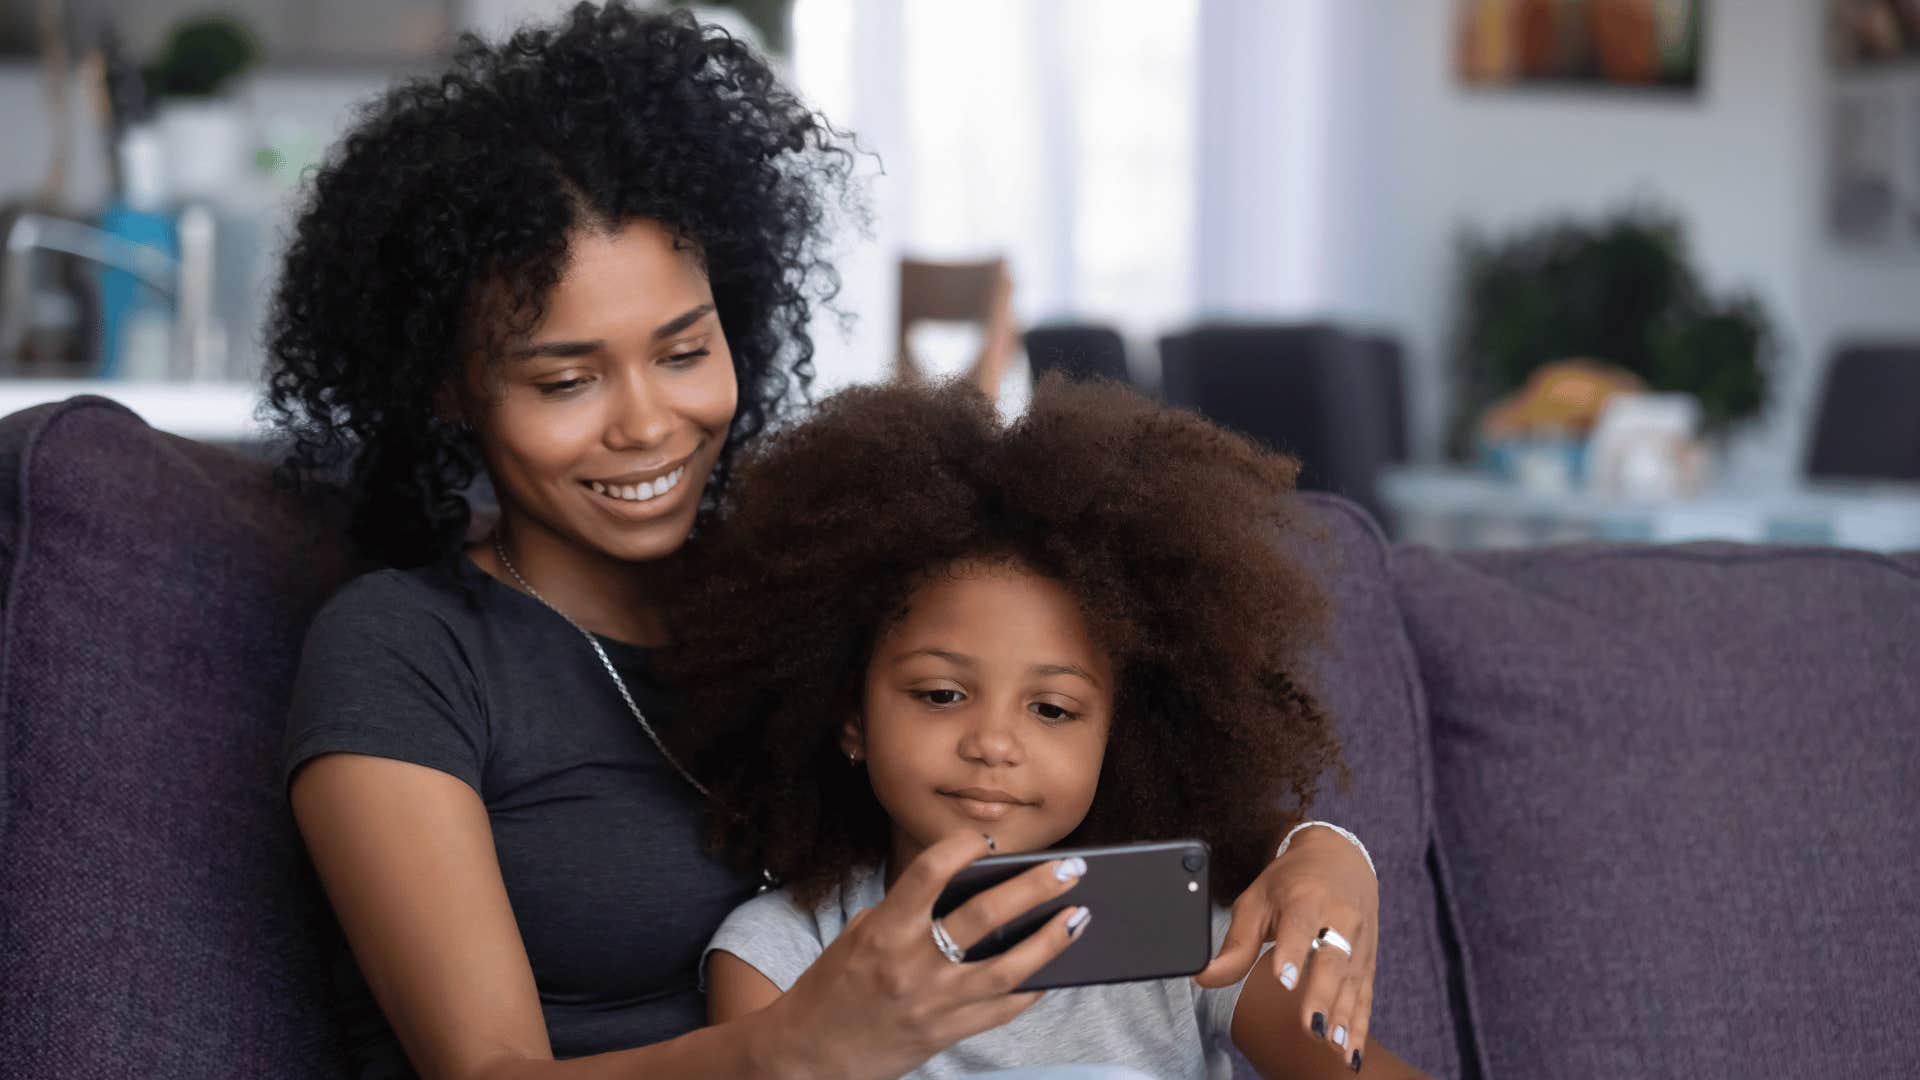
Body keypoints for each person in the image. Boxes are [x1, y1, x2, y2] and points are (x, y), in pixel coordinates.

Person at [268, 4, 1384, 1078]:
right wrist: (799, 1050)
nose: (648, 421)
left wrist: (1322, 852)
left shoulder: (805, 590)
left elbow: (1080, 748)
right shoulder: (406, 652)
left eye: (684, 350)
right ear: (448, 388)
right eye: (567, 378)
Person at [670, 377, 1416, 1078]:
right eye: (939, 694)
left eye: (1052, 710)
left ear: (1118, 736)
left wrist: (1328, 862)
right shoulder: (778, 955)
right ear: (849, 716)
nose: (993, 744)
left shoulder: (1185, 932)